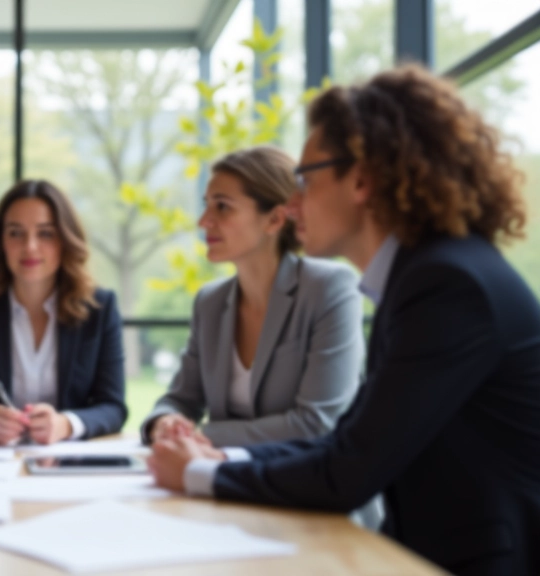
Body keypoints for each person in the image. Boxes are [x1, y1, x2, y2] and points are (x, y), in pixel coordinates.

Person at [148, 65, 540, 575]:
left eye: (305, 181)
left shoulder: (446, 284)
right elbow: (348, 443)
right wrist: (215, 460)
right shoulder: (424, 275)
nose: (292, 204)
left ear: (360, 180)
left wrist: (202, 473)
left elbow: (351, 467)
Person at [141, 146, 363, 448]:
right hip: (222, 473)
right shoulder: (210, 302)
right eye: (207, 205)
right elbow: (181, 399)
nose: (204, 220)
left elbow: (316, 423)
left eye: (222, 206)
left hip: (305, 476)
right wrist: (164, 422)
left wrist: (199, 436)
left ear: (275, 220)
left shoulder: (329, 288)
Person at [0, 180, 127, 444]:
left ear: (65, 240)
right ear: (0, 240)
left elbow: (113, 407)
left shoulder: (99, 308)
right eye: (15, 233)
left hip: (69, 460)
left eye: (45, 233)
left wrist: (65, 424)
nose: (30, 246)